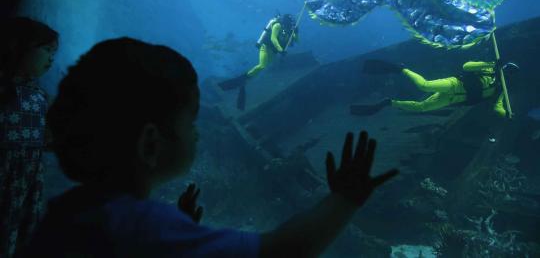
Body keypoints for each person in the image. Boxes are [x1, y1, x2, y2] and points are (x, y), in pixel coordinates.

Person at [23, 37, 398, 257]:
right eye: (190, 122)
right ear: (150, 143)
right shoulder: (137, 224)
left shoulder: (70, 211)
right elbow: (282, 252)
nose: (198, 134)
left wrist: (180, 231)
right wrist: (344, 200)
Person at [0, 17, 59, 258]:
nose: (51, 58)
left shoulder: (41, 97)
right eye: (46, 49)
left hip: (24, 185)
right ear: (17, 46)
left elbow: (48, 139)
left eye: (54, 52)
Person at [351, 59, 518, 117]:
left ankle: (389, 103)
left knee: (422, 108)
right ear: (503, 67)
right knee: (425, 86)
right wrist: (491, 63)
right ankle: (401, 68)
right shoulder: (488, 69)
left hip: (453, 99)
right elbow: (467, 66)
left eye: (512, 74)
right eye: (508, 69)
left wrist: (506, 114)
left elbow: (498, 107)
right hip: (454, 84)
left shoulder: (501, 90)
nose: (508, 74)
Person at [217, 14, 299, 109]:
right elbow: (273, 38)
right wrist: (281, 50)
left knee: (265, 67)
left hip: (273, 52)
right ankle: (244, 78)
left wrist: (296, 32)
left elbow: (296, 41)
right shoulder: (277, 26)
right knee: (262, 65)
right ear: (286, 22)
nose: (291, 25)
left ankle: (246, 81)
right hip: (265, 48)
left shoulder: (289, 30)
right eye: (290, 23)